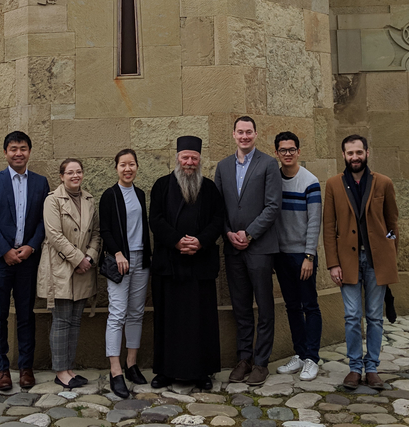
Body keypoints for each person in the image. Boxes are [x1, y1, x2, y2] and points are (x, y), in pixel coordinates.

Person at [322, 134, 399, 391]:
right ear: (343, 155)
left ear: (367, 152)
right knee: (353, 315)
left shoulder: (384, 183)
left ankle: (373, 367)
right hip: (347, 260)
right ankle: (355, 368)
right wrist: (333, 263)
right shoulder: (334, 184)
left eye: (358, 152)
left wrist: (390, 251)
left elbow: (393, 224)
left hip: (378, 260)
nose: (354, 157)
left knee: (375, 317)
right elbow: (329, 226)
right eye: (350, 153)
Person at [148, 136, 225, 390]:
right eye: (185, 158)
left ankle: (202, 371)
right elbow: (156, 220)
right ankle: (165, 371)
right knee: (168, 320)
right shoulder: (161, 186)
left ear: (199, 160)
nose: (189, 163)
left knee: (201, 320)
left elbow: (218, 220)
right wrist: (177, 241)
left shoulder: (210, 188)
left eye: (194, 158)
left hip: (199, 266)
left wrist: (201, 241)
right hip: (170, 265)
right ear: (177, 159)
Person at [0, 131, 51, 391]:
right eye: (13, 149)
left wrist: (31, 246)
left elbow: (46, 221)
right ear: (5, 152)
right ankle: (1, 369)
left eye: (23, 148)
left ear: (29, 152)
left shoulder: (41, 183)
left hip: (27, 260)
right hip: (0, 261)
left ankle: (26, 367)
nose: (18, 153)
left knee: (25, 315)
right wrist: (5, 250)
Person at [214, 115, 282, 386]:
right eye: (240, 132)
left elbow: (273, 205)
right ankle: (244, 358)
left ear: (256, 134)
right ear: (233, 135)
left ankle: (261, 362)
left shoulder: (268, 164)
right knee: (241, 307)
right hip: (233, 249)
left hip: (261, 248)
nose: (244, 136)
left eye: (249, 132)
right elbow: (217, 206)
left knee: (264, 306)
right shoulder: (222, 167)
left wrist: (250, 233)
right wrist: (228, 233)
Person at [36, 158, 100, 389]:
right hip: (61, 268)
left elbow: (96, 233)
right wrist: (78, 259)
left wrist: (90, 257)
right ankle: (60, 371)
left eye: (79, 171)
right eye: (70, 172)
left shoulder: (89, 200)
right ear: (61, 176)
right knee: (61, 320)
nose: (75, 175)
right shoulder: (52, 200)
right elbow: (54, 235)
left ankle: (69, 369)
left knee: (74, 321)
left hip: (84, 269)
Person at [99, 148, 152, 399]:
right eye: (123, 165)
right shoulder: (110, 195)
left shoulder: (140, 194)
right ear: (116, 168)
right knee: (117, 313)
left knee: (136, 313)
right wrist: (117, 252)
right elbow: (105, 229)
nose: (127, 169)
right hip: (121, 260)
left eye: (131, 164)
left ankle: (131, 363)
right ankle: (115, 369)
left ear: (137, 167)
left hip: (141, 259)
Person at [272, 131, 323, 381]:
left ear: (299, 152)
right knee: (292, 306)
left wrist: (309, 256)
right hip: (281, 255)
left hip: (302, 256)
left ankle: (312, 358)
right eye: (283, 150)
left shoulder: (310, 181)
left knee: (310, 306)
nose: (288, 154)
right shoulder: (274, 179)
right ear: (277, 153)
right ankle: (300, 354)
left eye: (292, 149)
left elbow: (314, 221)